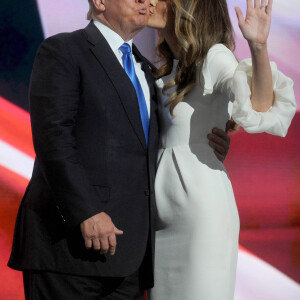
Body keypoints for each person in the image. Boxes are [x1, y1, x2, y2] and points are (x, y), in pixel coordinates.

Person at [7, 0, 231, 299]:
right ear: (100, 2)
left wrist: (206, 141)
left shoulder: (149, 72)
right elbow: (53, 138)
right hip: (69, 252)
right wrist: (86, 212)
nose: (147, 1)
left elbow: (155, 143)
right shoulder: (64, 50)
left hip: (130, 260)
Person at [147, 0, 296, 299]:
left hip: (199, 217)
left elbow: (258, 104)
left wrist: (258, 47)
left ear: (185, 9)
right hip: (159, 221)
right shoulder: (165, 67)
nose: (151, 1)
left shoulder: (214, 57)